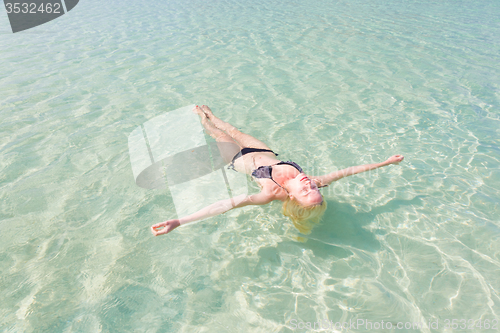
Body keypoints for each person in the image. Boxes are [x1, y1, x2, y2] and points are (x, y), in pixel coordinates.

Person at [151, 105, 404, 236]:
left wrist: (181, 221)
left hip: (238, 158)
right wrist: (386, 162)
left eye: (307, 191)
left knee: (218, 133)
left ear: (292, 197)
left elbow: (225, 204)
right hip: (263, 150)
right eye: (315, 189)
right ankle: (211, 113)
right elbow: (350, 170)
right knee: (234, 130)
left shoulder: (270, 194)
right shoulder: (312, 180)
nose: (310, 184)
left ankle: (203, 119)